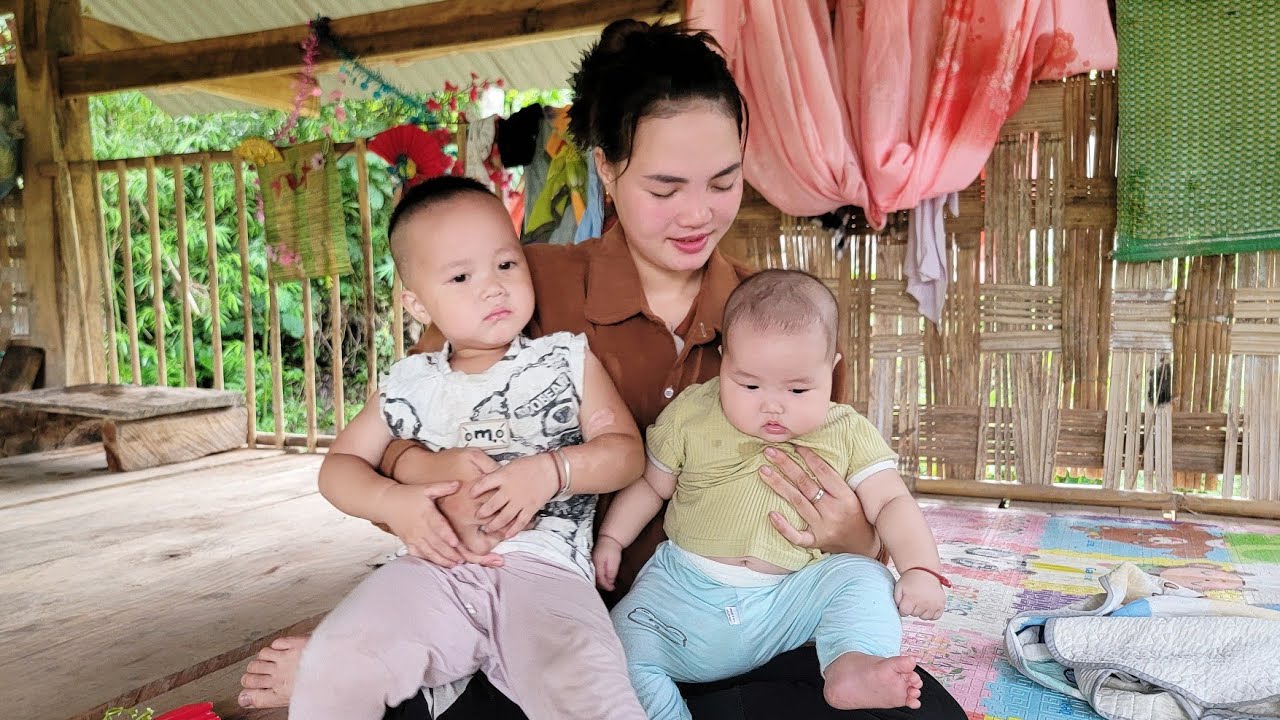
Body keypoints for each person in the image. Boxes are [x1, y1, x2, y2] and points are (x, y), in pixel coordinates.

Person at [240, 19, 967, 720]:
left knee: (916, 710)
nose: (698, 213)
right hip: (544, 606)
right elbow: (416, 420)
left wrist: (857, 542)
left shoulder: (774, 318)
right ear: (605, 170)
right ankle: (380, 660)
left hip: (743, 615)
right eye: (664, 187)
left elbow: (861, 493)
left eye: (723, 181)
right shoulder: (518, 285)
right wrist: (413, 472)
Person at [287, 175, 648, 720]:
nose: (493, 287)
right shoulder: (411, 382)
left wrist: (551, 471)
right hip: (435, 569)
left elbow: (625, 452)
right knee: (338, 659)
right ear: (416, 303)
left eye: (506, 264)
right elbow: (338, 467)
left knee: (588, 690)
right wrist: (393, 502)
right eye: (460, 276)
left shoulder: (565, 361)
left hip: (544, 574)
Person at [595, 270, 948, 720]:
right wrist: (612, 539)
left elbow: (893, 503)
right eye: (749, 385)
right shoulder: (692, 414)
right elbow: (650, 485)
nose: (772, 405)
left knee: (864, 578)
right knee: (616, 648)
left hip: (787, 602)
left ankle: (851, 663)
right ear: (723, 361)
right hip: (683, 593)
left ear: (832, 370)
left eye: (798, 389)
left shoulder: (845, 431)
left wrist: (921, 569)